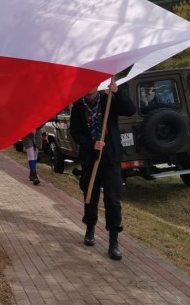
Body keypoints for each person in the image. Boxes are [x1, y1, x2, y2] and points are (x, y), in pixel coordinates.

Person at [69, 81, 136, 260]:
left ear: (97, 84)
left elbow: (130, 110)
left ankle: (113, 242)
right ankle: (90, 229)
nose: (88, 86)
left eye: (92, 82)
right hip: (91, 160)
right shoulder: (78, 106)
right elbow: (75, 132)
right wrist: (92, 144)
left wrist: (118, 92)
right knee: (90, 196)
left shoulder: (109, 101)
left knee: (113, 200)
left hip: (111, 158)